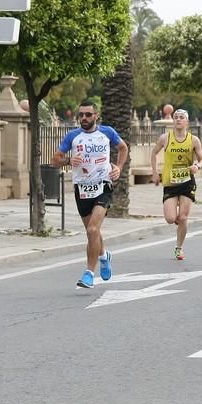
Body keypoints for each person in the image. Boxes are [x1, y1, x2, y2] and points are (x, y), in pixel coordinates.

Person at [51, 100, 128, 288]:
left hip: (103, 185)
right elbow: (55, 160)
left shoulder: (107, 132)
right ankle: (104, 256)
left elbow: (123, 148)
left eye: (88, 114)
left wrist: (118, 167)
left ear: (96, 116)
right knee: (91, 232)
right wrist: (69, 160)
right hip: (82, 188)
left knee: (93, 229)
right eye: (81, 115)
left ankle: (88, 274)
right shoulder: (72, 136)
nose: (84, 118)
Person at [151, 108, 202, 258]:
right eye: (176, 117)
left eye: (181, 117)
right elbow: (154, 153)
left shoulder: (194, 140)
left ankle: (179, 247)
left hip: (187, 182)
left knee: (183, 217)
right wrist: (155, 173)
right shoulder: (165, 138)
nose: (178, 119)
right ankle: (179, 221)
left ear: (187, 122)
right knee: (170, 218)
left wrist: (197, 166)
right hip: (170, 182)